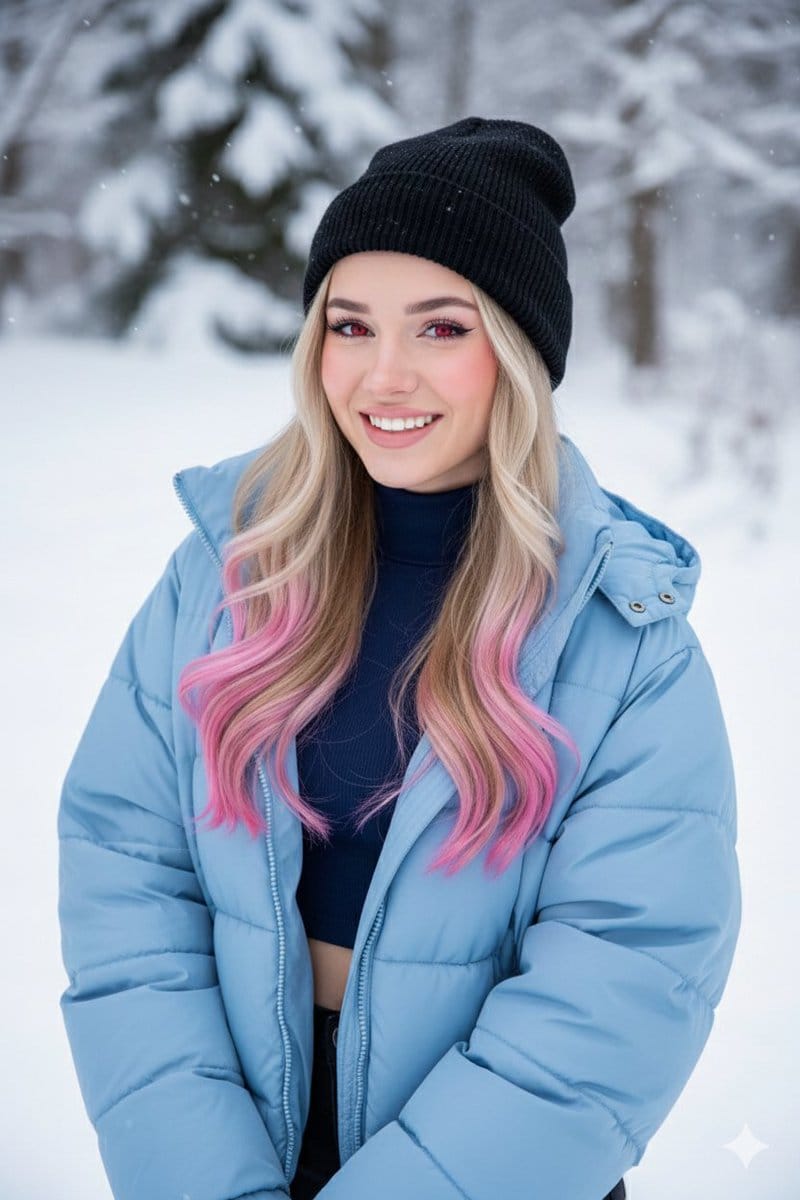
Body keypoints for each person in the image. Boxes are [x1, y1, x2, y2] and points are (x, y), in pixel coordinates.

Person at [56, 117, 742, 1200]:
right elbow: (126, 882)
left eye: (439, 328)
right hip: (229, 1138)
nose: (382, 375)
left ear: (515, 352)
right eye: (347, 324)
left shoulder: (624, 635)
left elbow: (622, 980)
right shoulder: (224, 575)